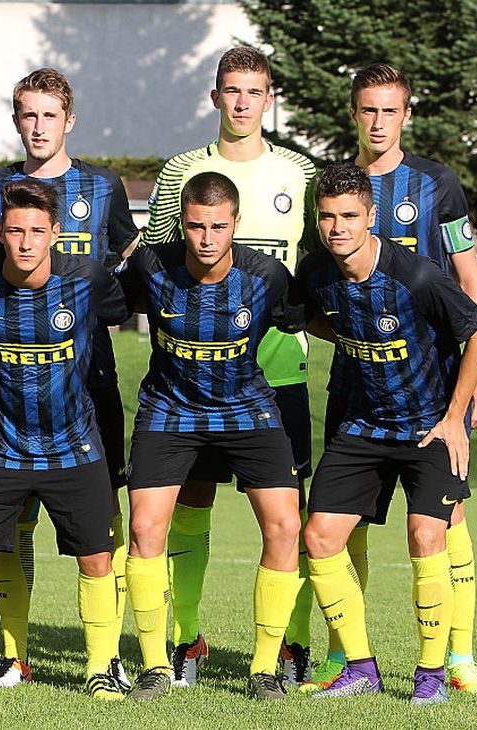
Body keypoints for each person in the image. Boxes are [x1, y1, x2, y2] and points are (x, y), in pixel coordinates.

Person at [311, 62, 477, 694]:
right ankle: (346, 657)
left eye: (389, 110)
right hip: (357, 381)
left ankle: (456, 659)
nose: (378, 121)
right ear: (354, 113)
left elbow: (469, 281)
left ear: (406, 115)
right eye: (368, 110)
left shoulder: (437, 184)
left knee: (443, 523)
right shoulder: (334, 186)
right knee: (345, 521)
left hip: (436, 380)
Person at [142, 46, 318, 688]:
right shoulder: (182, 173)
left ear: (269, 98)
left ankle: (290, 646)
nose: (243, 102)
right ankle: (186, 641)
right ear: (215, 96)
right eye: (231, 91)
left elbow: (318, 266)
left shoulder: (300, 172)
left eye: (255, 91)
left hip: (279, 374)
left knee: (284, 516)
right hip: (190, 382)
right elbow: (158, 265)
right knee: (189, 505)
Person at [0, 67, 139, 690]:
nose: (38, 127)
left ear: (69, 120)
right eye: (27, 115)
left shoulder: (104, 185)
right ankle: (14, 655)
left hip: (89, 378)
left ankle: (107, 657)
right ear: (17, 121)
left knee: (100, 523)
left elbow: (130, 257)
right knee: (11, 523)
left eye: (49, 115)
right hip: (14, 382)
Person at [0, 178, 130, 700]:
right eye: (15, 231)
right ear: (0, 233)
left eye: (36, 232)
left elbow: (125, 308)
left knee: (97, 559)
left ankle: (101, 667)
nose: (25, 243)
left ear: (56, 233)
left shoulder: (88, 278)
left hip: (73, 445)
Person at [119, 172, 305, 701]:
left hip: (247, 407)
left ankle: (265, 667)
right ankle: (157, 664)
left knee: (287, 526)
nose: (206, 239)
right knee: (145, 529)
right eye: (196, 226)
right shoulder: (152, 266)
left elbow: (306, 317)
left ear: (236, 225)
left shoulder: (266, 275)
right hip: (169, 409)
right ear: (181, 222)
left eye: (218, 227)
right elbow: (101, 302)